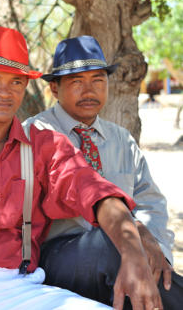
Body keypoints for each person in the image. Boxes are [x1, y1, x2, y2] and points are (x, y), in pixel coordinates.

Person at [0, 26, 162, 310]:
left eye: (16, 82)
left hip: (20, 288)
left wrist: (132, 252)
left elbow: (93, 190)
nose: (5, 92)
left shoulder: (44, 147)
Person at [24, 35, 183, 309]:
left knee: (148, 264)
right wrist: (132, 239)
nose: (89, 91)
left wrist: (159, 252)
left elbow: (151, 203)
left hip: (122, 251)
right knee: (118, 244)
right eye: (77, 82)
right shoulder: (35, 134)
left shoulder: (121, 139)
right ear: (54, 88)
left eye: (98, 80)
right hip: (55, 255)